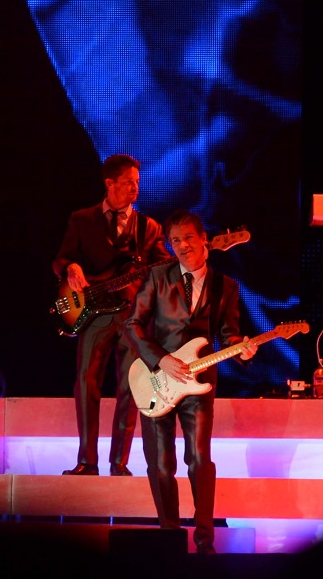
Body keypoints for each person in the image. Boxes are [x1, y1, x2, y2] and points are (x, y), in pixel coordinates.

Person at [125, 209, 256, 554]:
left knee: (199, 459)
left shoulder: (225, 287)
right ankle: (169, 534)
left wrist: (241, 350)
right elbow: (132, 326)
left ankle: (204, 538)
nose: (182, 246)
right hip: (156, 379)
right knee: (161, 462)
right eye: (175, 241)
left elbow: (229, 335)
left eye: (188, 238)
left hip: (199, 386)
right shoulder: (157, 276)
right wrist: (161, 360)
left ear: (204, 241)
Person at [52, 154, 170, 477]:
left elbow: (163, 269)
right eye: (128, 182)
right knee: (86, 382)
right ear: (110, 183)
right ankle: (87, 461)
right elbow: (60, 259)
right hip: (94, 315)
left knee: (130, 388)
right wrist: (71, 267)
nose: (135, 188)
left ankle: (119, 462)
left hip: (132, 317)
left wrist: (180, 263)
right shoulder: (81, 219)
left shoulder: (149, 227)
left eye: (137, 182)